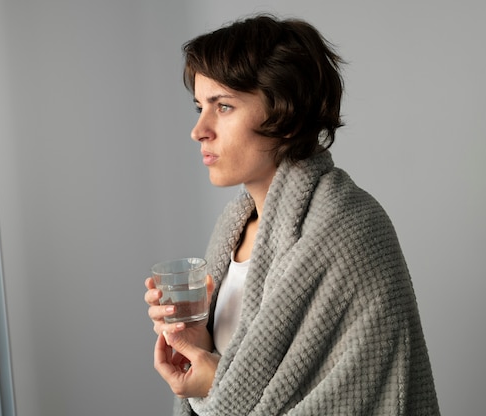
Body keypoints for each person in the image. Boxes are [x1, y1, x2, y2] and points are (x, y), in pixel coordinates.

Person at [144, 14, 439, 416]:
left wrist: (218, 387)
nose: (199, 130)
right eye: (199, 107)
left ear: (285, 112)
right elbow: (239, 377)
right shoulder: (230, 232)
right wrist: (197, 343)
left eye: (223, 106)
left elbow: (357, 397)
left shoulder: (351, 228)